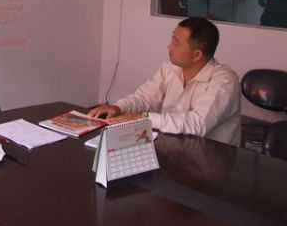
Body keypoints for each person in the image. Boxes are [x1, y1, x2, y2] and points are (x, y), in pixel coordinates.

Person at [88, 17, 241, 146]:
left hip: (210, 161)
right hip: (172, 149)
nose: (169, 47)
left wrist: (143, 117)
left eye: (176, 43)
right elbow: (144, 98)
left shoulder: (225, 81)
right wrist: (119, 107)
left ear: (196, 55)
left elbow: (198, 125)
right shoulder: (169, 68)